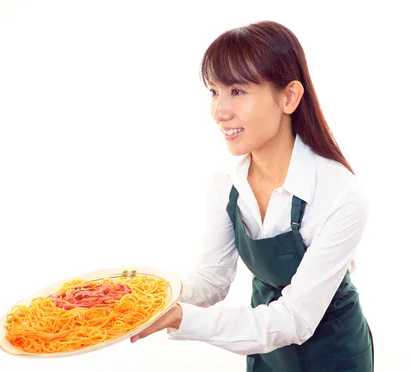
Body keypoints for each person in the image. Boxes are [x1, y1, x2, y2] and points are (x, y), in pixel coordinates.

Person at [130, 20, 374, 372]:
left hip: (333, 353)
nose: (219, 112)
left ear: (288, 97)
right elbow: (213, 279)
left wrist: (181, 319)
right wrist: (145, 299)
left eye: (238, 91)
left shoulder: (341, 196)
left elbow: (294, 320)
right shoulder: (227, 186)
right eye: (214, 92)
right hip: (265, 347)